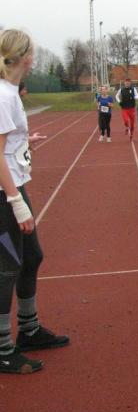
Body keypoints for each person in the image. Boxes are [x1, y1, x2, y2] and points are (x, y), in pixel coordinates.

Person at [0, 29, 70, 374]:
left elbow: (7, 143)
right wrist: (15, 200)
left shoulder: (10, 93)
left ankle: (28, 330)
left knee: (32, 256)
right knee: (7, 265)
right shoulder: (3, 95)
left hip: (14, 185)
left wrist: (26, 140)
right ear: (25, 57)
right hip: (4, 193)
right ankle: (2, 348)